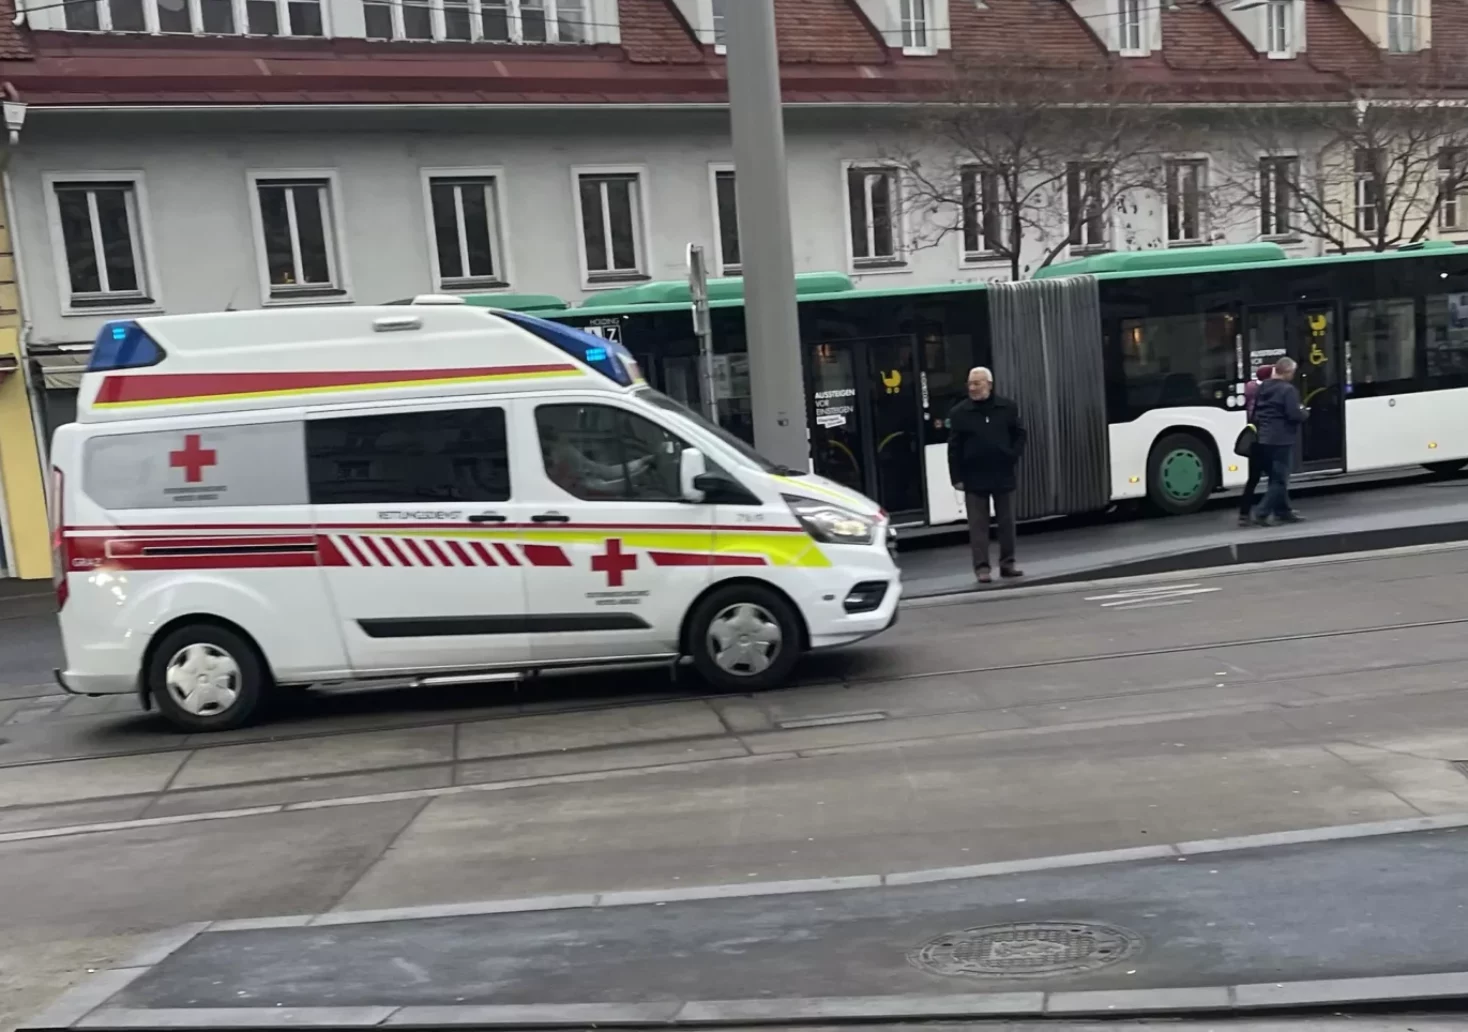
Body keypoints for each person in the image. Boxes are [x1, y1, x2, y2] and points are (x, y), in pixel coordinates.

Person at [947, 366, 1028, 583]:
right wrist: (956, 478)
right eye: (970, 384)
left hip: (1003, 473)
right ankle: (982, 568)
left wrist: (1012, 455)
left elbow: (1020, 434)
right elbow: (954, 448)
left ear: (989, 385)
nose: (972, 388)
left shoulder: (1007, 407)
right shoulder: (959, 413)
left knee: (1007, 523)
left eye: (977, 383)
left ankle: (1008, 564)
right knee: (978, 527)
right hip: (974, 477)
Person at [1250, 355, 1308, 526]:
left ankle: (1283, 512)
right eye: (1292, 372)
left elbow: (1256, 411)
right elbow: (1293, 414)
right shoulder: (1288, 390)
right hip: (1281, 439)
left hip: (1264, 438)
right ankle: (1261, 513)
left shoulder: (1263, 387)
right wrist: (1304, 412)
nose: (1293, 376)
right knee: (1280, 480)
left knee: (1275, 476)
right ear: (1287, 372)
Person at [1237, 363, 1273, 526]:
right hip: (1265, 439)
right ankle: (1266, 512)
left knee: (1253, 479)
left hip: (1255, 440)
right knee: (1276, 478)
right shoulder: (1266, 391)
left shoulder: (1250, 389)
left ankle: (1244, 514)